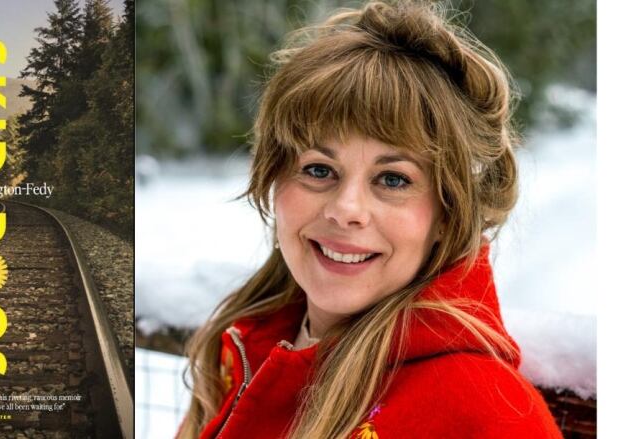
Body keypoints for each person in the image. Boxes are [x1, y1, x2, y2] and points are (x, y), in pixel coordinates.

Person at [176, 1, 562, 438]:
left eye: (393, 179)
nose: (346, 210)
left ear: (448, 213)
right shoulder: (251, 339)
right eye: (319, 169)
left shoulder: (486, 411)